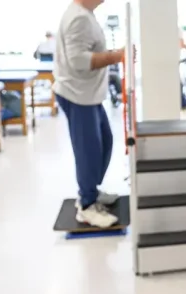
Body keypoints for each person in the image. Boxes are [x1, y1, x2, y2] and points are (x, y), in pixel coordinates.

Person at [55, 0, 127, 228]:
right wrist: (117, 56)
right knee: (89, 151)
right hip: (77, 95)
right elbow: (78, 61)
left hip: (88, 95)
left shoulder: (86, 14)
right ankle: (86, 205)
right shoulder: (78, 18)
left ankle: (91, 191)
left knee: (105, 142)